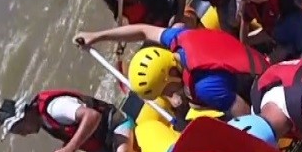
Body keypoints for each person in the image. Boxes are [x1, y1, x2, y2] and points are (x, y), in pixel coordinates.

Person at [74, 24, 269, 117]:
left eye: (166, 91)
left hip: (260, 88)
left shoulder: (204, 87)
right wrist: (96, 35)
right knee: (193, 103)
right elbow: (143, 31)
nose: (168, 96)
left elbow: (246, 115)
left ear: (171, 75)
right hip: (252, 61)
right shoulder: (179, 38)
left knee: (195, 103)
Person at [0, 90, 143, 152]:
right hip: (101, 143)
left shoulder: (55, 108)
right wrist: (66, 146)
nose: (22, 134)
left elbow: (92, 116)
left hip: (115, 125)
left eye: (18, 129)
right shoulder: (42, 120)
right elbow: (71, 130)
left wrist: (70, 148)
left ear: (24, 116)